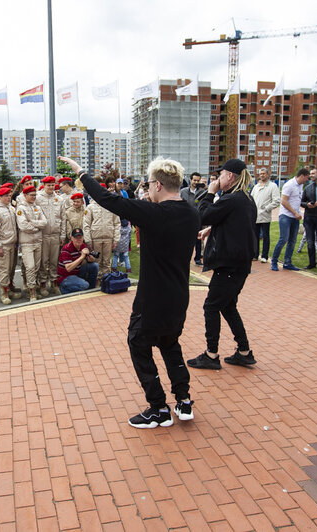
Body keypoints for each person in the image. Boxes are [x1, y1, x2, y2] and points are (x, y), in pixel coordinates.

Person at [59, 155, 201, 429]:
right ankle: (183, 401)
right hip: (179, 296)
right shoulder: (191, 211)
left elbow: (109, 200)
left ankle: (158, 408)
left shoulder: (154, 213)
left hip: (152, 298)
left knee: (138, 343)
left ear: (158, 185)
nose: (146, 189)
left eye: (148, 184)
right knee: (170, 344)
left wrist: (82, 172)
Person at [187, 159, 257, 371]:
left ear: (231, 177)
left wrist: (209, 193)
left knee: (211, 306)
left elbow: (203, 214)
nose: (217, 179)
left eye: (221, 175)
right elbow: (236, 224)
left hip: (230, 264)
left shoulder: (232, 199)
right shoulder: (245, 199)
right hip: (239, 264)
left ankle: (211, 354)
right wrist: (211, 229)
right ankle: (244, 352)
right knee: (227, 306)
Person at [271, 168, 310, 271]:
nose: (307, 180)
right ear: (302, 176)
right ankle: (274, 262)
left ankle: (287, 262)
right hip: (286, 216)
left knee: (292, 241)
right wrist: (295, 212)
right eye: (307, 177)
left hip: (295, 217)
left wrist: (299, 212)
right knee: (283, 239)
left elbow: (296, 200)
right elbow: (284, 201)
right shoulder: (289, 185)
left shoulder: (301, 185)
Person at [0, 187, 20, 305]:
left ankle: (10, 287)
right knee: (4, 269)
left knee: (11, 268)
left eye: (9, 195)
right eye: (5, 196)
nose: (8, 197)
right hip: (4, 244)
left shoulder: (10, 208)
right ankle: (4, 292)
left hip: (12, 243)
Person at [16, 185, 48, 301]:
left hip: (37, 241)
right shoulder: (21, 208)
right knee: (30, 266)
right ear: (25, 195)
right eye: (31, 195)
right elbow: (23, 225)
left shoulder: (37, 208)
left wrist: (33, 222)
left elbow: (44, 222)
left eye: (35, 195)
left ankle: (33, 287)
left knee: (36, 268)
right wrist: (37, 227)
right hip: (27, 242)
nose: (34, 197)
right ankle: (31, 291)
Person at [83, 186, 120, 279]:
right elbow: (86, 225)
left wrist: (116, 240)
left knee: (107, 262)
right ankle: (97, 281)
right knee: (97, 261)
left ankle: (107, 279)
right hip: (95, 238)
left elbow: (117, 223)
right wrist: (88, 240)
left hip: (108, 237)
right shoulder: (90, 207)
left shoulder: (111, 206)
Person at [36, 176, 64, 296]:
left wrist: (62, 235)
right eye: (49, 185)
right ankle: (42, 283)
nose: (51, 187)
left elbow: (63, 218)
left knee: (54, 260)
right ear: (44, 185)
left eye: (53, 185)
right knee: (44, 260)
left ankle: (53, 282)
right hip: (43, 234)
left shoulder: (59, 199)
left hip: (55, 234)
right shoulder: (37, 198)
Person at [250, 167, 280, 263]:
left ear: (268, 174)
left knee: (266, 236)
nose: (262, 175)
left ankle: (264, 256)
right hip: (255, 216)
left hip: (265, 216)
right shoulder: (256, 187)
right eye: (260, 173)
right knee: (255, 236)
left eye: (264, 173)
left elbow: (276, 201)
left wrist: (267, 208)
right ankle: (255, 254)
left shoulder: (273, 186)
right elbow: (251, 199)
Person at [57, 228, 99, 294]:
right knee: (84, 285)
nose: (79, 240)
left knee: (95, 266)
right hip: (65, 277)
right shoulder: (66, 249)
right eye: (76, 237)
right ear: (72, 238)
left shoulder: (83, 246)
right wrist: (82, 257)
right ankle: (64, 289)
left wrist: (91, 259)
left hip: (77, 273)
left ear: (83, 238)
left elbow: (91, 260)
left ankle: (91, 290)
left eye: (80, 237)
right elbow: (68, 268)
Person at [180, 172, 204, 265]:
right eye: (194, 180)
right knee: (185, 240)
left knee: (198, 240)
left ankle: (197, 258)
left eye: (198, 181)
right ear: (190, 180)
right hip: (186, 219)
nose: (196, 182)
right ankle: (184, 258)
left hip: (197, 219)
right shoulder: (183, 192)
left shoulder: (202, 192)